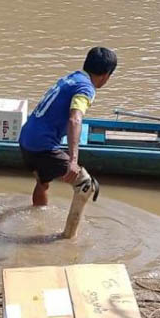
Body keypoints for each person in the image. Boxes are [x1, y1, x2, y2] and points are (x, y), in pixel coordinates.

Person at [18, 46, 117, 207]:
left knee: (43, 182)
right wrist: (73, 160)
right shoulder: (86, 88)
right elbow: (75, 120)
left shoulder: (73, 78)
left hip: (25, 138)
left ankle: (38, 214)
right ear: (106, 75)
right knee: (85, 184)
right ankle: (73, 226)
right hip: (42, 144)